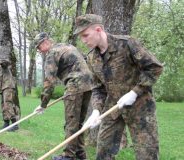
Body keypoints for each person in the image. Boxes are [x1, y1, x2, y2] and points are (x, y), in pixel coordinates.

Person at [74, 14, 163, 160]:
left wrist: (135, 92)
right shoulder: (92, 57)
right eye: (80, 37)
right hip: (112, 108)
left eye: (85, 35)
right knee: (103, 152)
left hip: (140, 107)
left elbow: (155, 68)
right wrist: (96, 110)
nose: (83, 41)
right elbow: (98, 88)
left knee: (147, 154)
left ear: (98, 30)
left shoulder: (127, 44)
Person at [33, 32, 93, 160]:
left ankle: (68, 156)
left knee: (71, 122)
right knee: (79, 123)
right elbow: (86, 59)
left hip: (75, 84)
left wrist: (43, 104)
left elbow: (49, 82)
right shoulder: (67, 46)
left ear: (45, 42)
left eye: (39, 48)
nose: (40, 51)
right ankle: (80, 154)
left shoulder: (52, 54)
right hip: (89, 84)